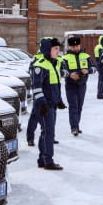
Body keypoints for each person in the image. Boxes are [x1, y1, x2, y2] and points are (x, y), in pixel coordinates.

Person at [32, 37, 66, 170]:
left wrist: (59, 101)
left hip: (51, 104)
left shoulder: (55, 63)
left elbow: (56, 85)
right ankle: (48, 161)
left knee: (46, 131)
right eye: (56, 49)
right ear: (47, 50)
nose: (58, 51)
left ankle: (42, 159)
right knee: (49, 132)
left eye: (59, 48)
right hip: (43, 105)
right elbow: (36, 87)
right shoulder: (40, 65)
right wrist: (43, 104)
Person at [62, 36, 96, 136]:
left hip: (82, 85)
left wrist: (88, 71)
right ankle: (74, 127)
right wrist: (70, 74)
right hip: (70, 85)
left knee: (79, 107)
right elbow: (62, 71)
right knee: (73, 106)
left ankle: (77, 125)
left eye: (77, 46)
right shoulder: (65, 58)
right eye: (73, 47)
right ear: (70, 47)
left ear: (80, 45)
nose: (75, 48)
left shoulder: (86, 56)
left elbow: (94, 68)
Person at [94, 35, 103, 99]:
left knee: (102, 79)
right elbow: (101, 55)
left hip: (100, 64)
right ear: (102, 41)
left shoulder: (102, 47)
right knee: (102, 79)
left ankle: (100, 93)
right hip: (100, 65)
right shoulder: (99, 47)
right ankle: (100, 94)